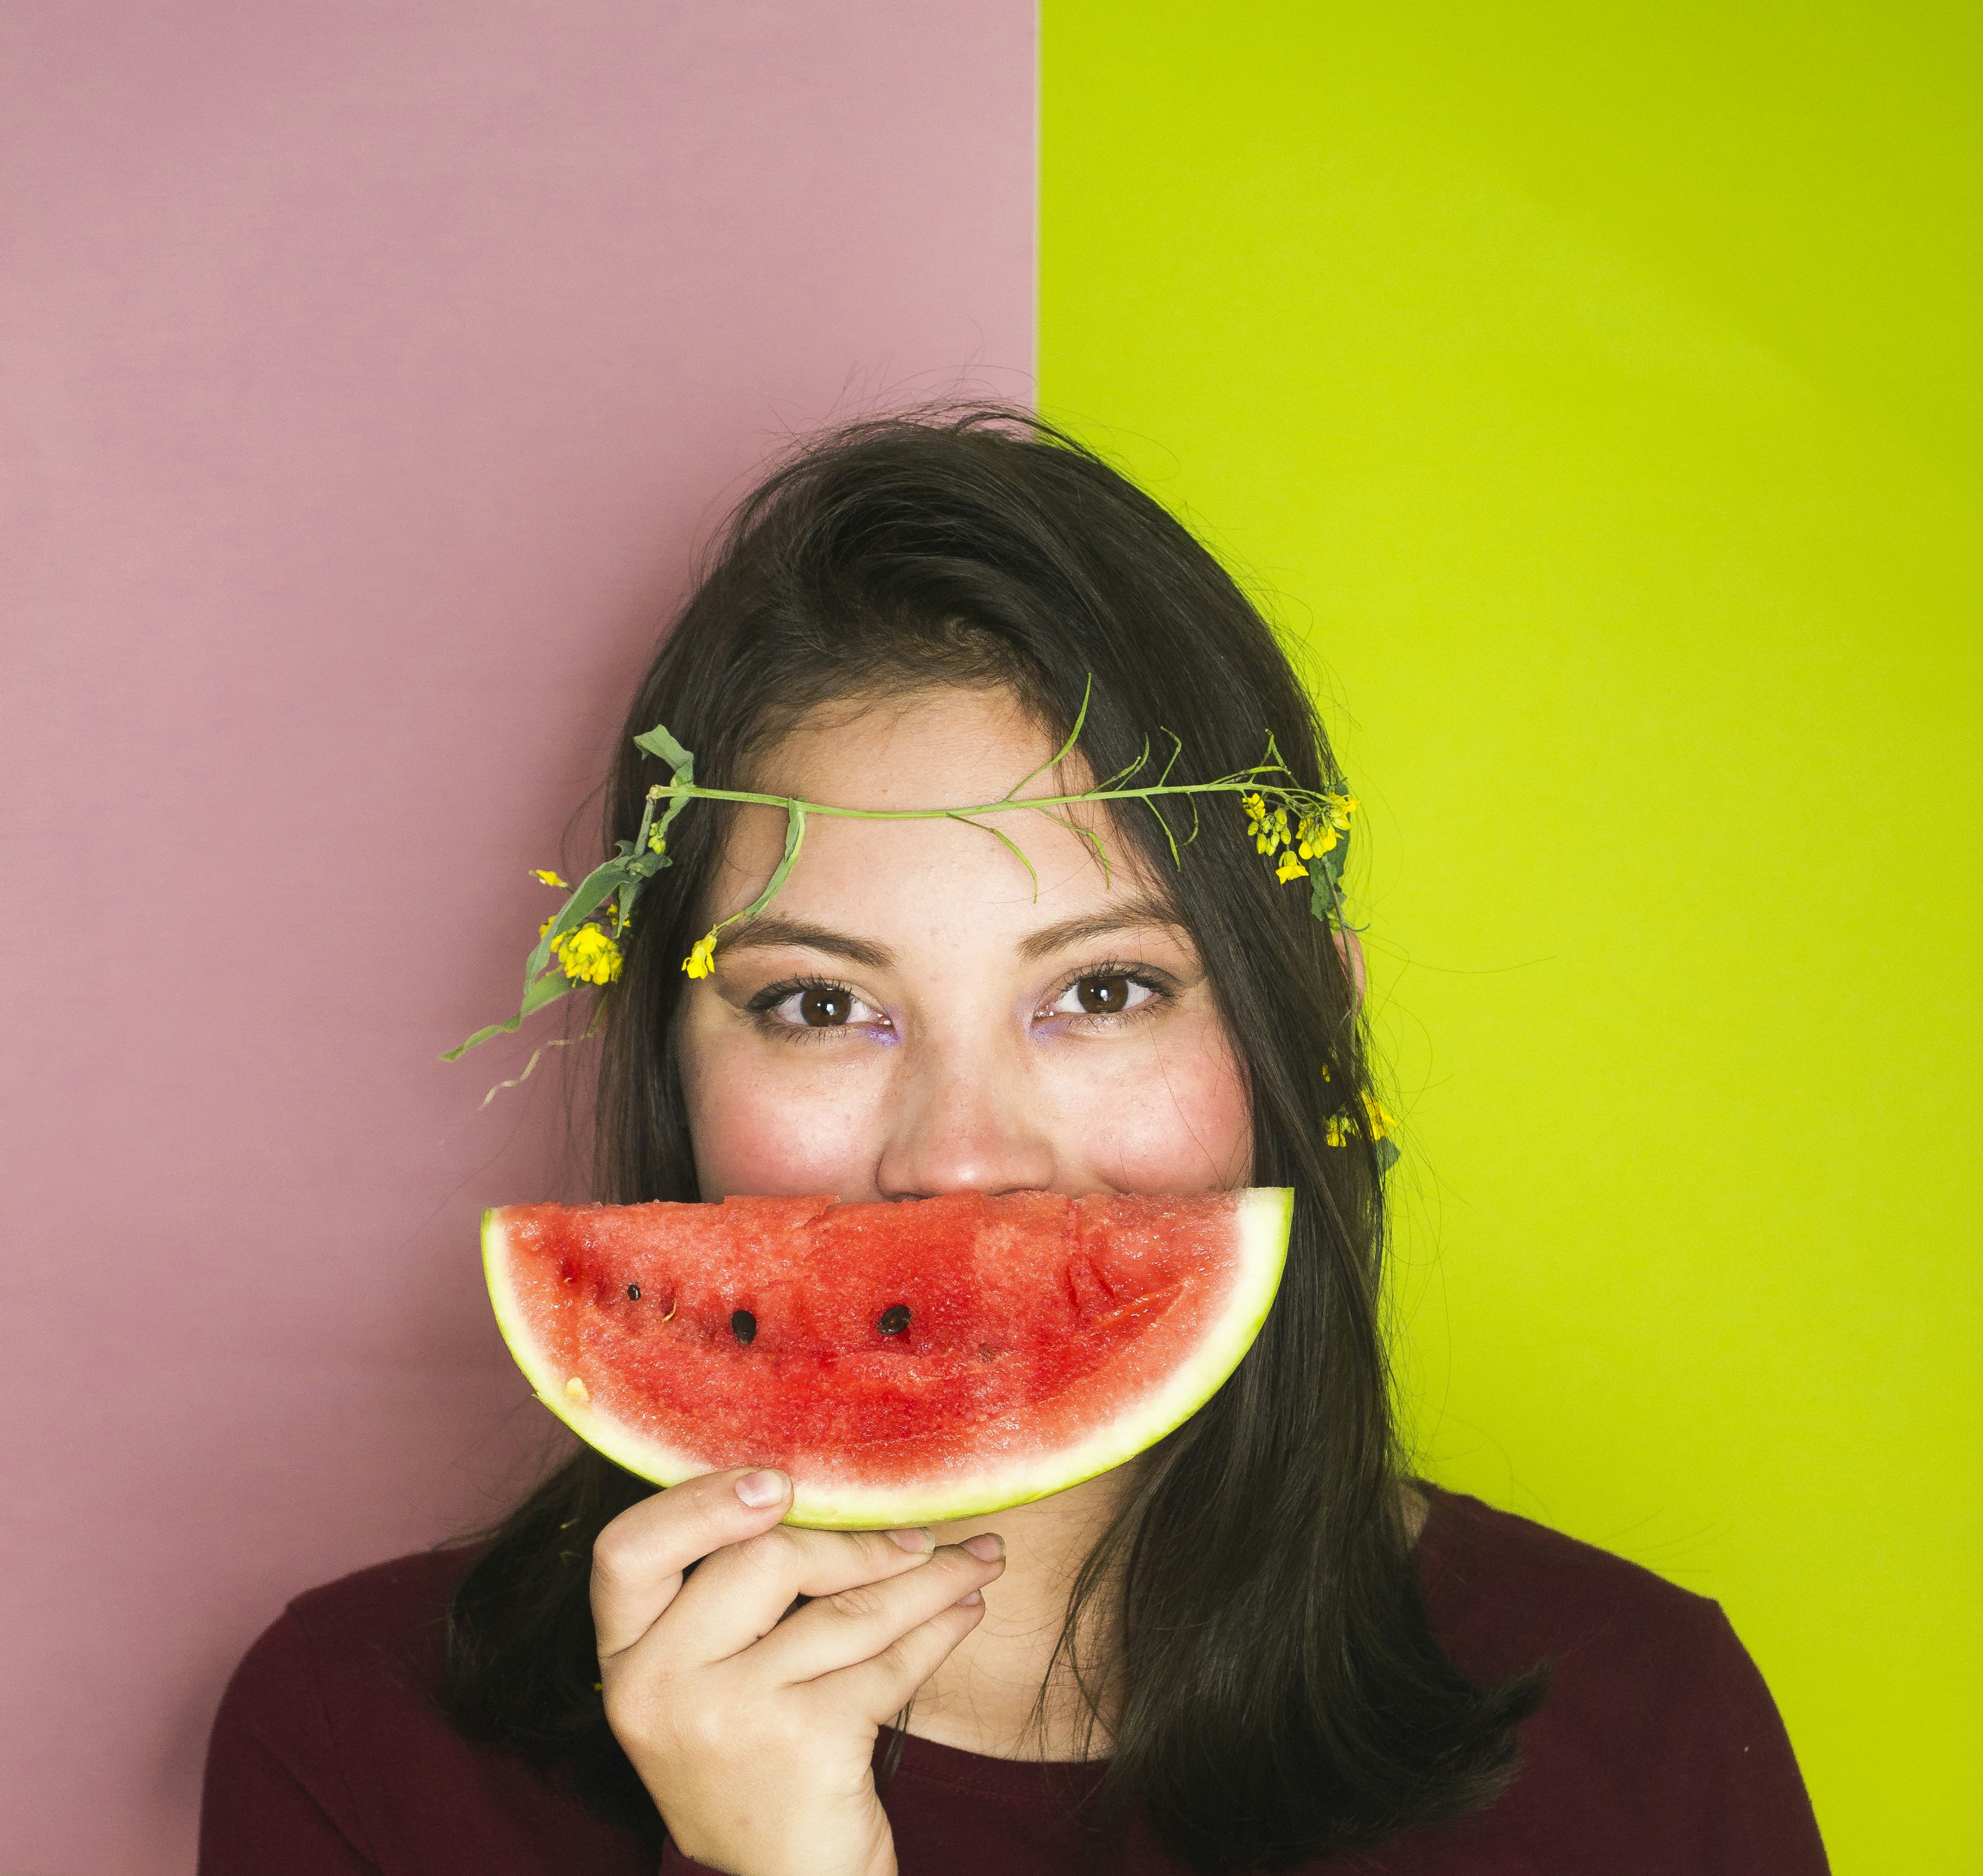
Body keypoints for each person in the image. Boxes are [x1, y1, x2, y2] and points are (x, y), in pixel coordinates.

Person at [199, 408, 1827, 1873]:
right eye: (821, 1006)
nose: (963, 1160)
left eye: (1106, 988)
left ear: (1295, 1024)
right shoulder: (363, 1748)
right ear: (670, 1054)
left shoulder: (1637, 1729)